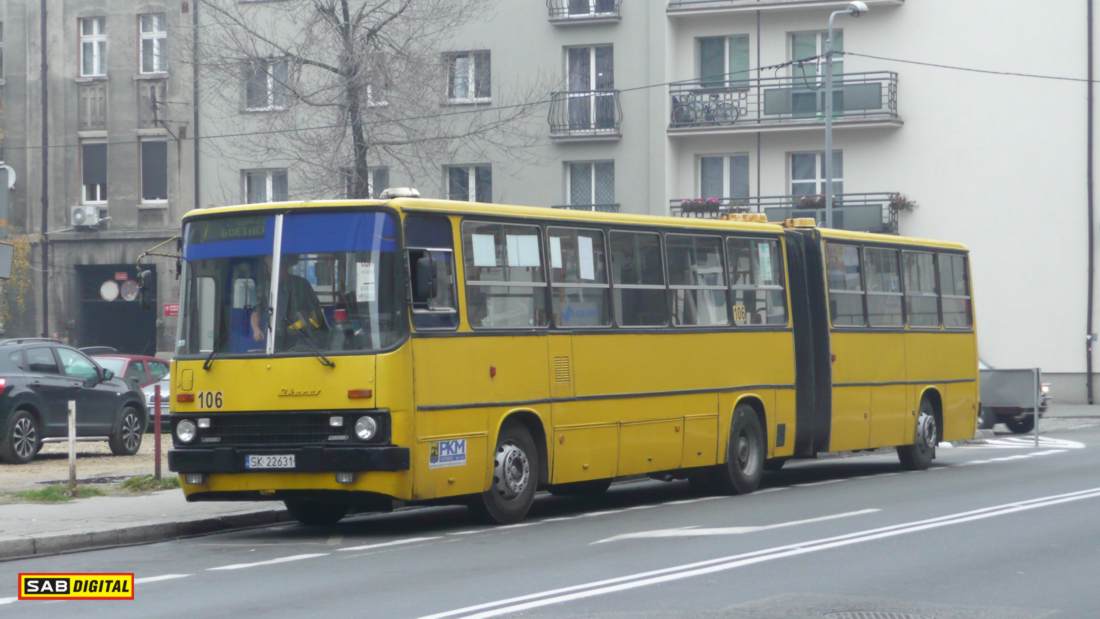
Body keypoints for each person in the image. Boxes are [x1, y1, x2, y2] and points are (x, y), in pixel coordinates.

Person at [250, 255, 326, 346]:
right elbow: (256, 312)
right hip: (274, 341)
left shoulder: (302, 285)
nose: (271, 272)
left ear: (284, 266)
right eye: (269, 268)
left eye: (274, 268)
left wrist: (302, 325)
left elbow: (316, 314)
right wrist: (256, 329)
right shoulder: (266, 288)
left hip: (301, 339)